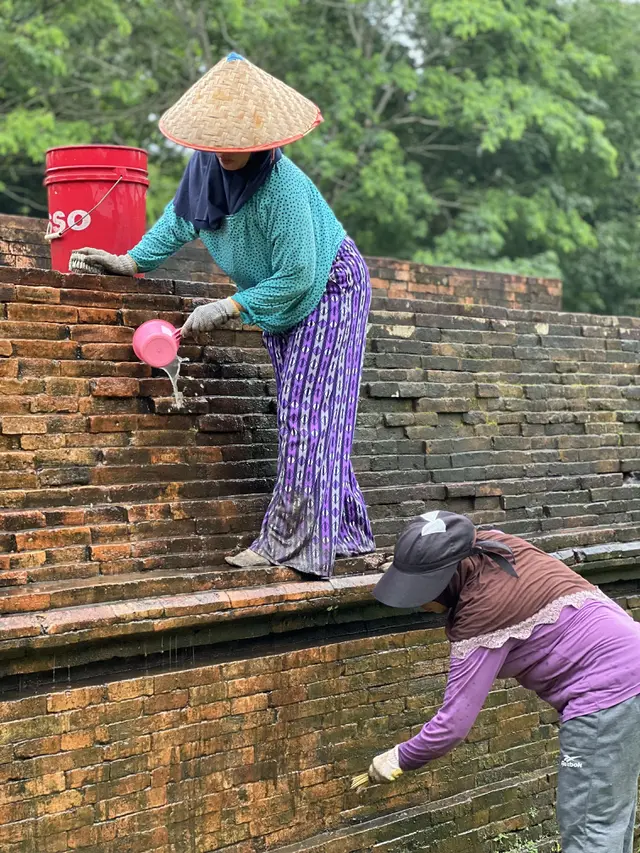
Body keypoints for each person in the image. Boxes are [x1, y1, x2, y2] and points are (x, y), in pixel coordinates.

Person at [69, 53, 375, 578]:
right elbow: (177, 222)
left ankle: (291, 544)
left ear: (262, 138)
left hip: (329, 289)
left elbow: (300, 274)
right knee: (311, 412)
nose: (228, 153)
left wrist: (232, 305)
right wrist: (130, 261)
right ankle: (345, 534)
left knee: (310, 415)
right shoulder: (204, 174)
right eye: (219, 143)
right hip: (275, 295)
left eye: (239, 143)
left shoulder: (283, 188)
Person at [364, 510, 640, 853]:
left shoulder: (483, 611)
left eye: (420, 593)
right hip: (631, 671)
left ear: (444, 580)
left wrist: (397, 758)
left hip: (605, 696)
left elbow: (452, 726)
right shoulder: (495, 548)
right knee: (607, 820)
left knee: (588, 829)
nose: (418, 604)